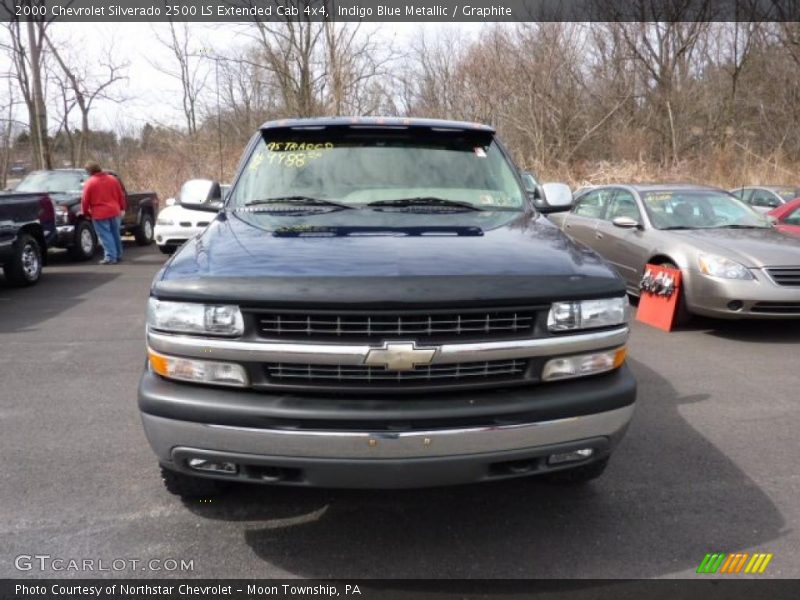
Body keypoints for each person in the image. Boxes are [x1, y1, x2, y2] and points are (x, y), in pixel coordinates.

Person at [81, 161, 126, 264]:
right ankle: (118, 254)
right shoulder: (113, 179)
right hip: (115, 211)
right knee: (115, 234)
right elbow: (121, 195)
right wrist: (122, 207)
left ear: (89, 171)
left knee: (105, 235)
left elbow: (85, 200)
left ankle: (110, 257)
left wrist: (85, 212)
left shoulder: (90, 182)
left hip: (100, 213)